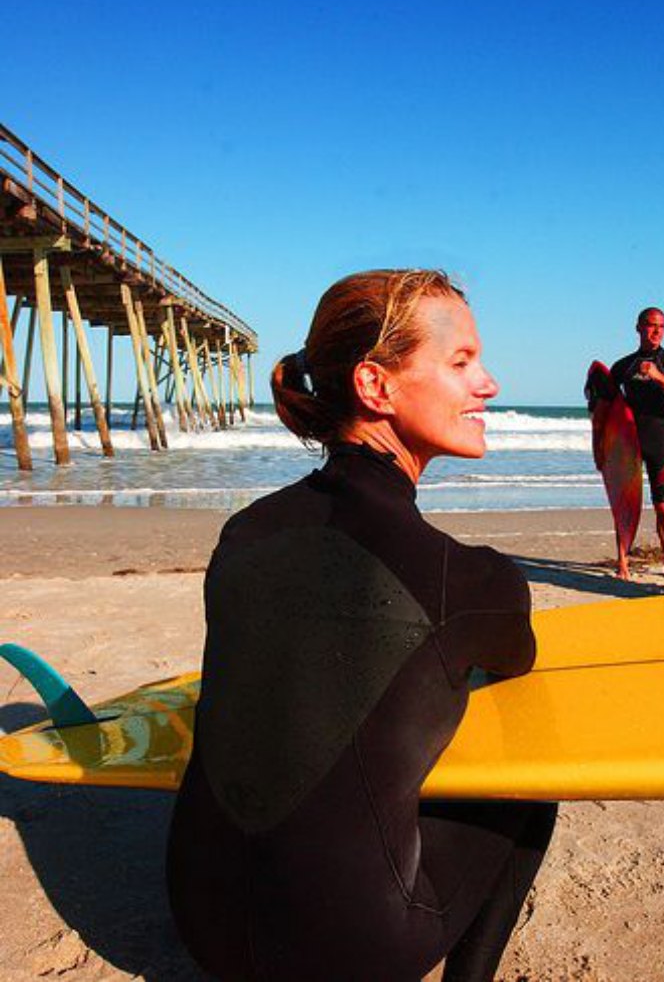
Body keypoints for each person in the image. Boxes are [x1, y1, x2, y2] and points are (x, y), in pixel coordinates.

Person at [167, 269, 556, 982]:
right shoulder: (467, 578)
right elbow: (514, 663)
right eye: (461, 361)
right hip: (344, 952)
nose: (489, 384)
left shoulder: (242, 533)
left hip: (200, 920)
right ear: (375, 386)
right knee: (529, 783)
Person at [610, 307, 664, 581]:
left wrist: (659, 377)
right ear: (638, 328)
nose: (656, 331)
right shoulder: (623, 367)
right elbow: (606, 405)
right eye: (650, 325)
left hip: (658, 443)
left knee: (663, 505)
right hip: (629, 446)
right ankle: (622, 562)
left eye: (661, 326)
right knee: (625, 505)